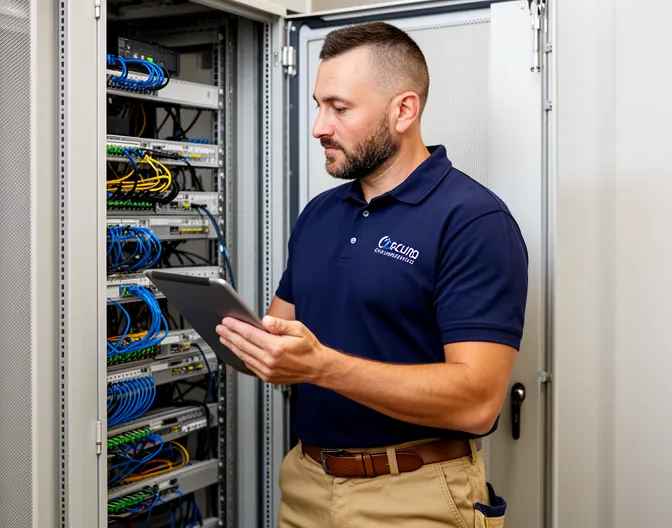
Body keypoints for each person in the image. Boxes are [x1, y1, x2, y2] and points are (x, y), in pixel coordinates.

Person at [214, 21, 528, 528]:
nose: (319, 126)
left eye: (339, 108)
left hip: (416, 497)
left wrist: (320, 366)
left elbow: (477, 402)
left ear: (403, 110)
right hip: (305, 485)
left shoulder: (473, 220)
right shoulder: (319, 214)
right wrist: (240, 338)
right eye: (319, 105)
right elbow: (279, 337)